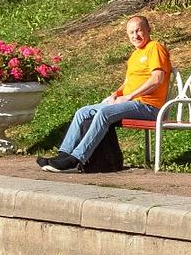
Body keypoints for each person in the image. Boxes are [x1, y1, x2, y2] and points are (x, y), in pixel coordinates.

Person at [38, 16, 172, 173]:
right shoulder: (135, 55)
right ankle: (64, 155)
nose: (135, 35)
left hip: (149, 107)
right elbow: (129, 82)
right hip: (131, 103)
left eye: (139, 30)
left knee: (104, 113)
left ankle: (76, 158)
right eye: (131, 32)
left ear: (148, 30)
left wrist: (129, 97)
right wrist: (116, 94)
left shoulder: (155, 47)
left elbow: (157, 79)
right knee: (83, 112)